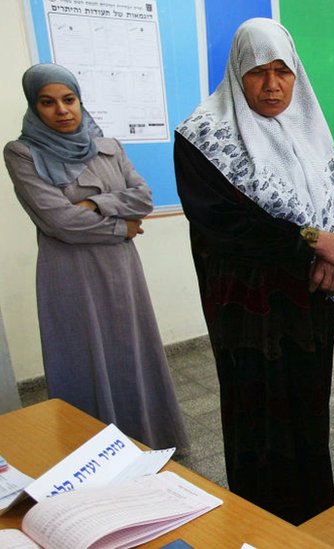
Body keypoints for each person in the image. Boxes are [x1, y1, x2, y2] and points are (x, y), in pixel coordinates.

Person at [173, 18, 334, 524]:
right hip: (248, 313)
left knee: (308, 413)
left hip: (310, 308)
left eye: (283, 70)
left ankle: (315, 522)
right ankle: (258, 526)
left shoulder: (310, 132)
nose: (273, 83)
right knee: (258, 423)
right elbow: (225, 225)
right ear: (238, 74)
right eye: (259, 71)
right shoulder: (203, 138)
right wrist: (312, 246)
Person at [4, 63, 188, 450]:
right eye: (48, 102)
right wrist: (120, 226)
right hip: (70, 274)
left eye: (69, 99)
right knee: (82, 357)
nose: (62, 110)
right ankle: (89, 452)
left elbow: (143, 197)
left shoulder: (109, 146)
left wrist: (92, 202)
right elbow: (59, 222)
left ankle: (148, 442)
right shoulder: (22, 153)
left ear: (80, 100)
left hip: (122, 271)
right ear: (34, 107)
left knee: (132, 352)